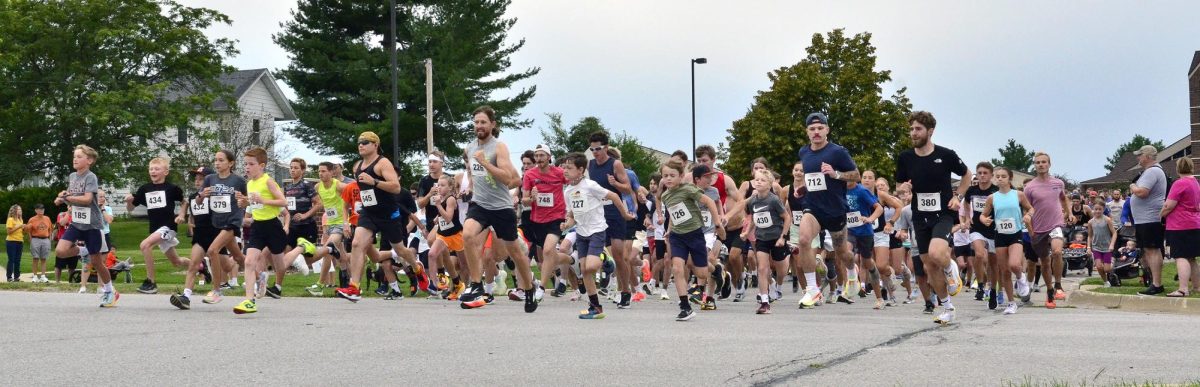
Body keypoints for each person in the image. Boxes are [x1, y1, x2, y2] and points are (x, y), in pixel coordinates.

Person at [453, 107, 535, 311]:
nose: (479, 126)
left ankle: (529, 288)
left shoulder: (499, 148)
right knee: (468, 236)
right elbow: (474, 174)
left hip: (501, 206)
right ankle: (476, 284)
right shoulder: (470, 148)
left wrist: (485, 162)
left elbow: (509, 178)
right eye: (476, 122)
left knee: (515, 252)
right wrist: (470, 187)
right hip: (480, 203)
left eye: (483, 122)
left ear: (492, 125)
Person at [894, 111, 972, 325]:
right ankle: (948, 308)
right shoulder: (905, 157)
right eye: (911, 129)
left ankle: (951, 268)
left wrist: (958, 196)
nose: (913, 133)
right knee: (929, 266)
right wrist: (904, 187)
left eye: (918, 129)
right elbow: (900, 183)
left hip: (944, 213)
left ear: (930, 131)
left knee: (938, 254)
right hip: (920, 215)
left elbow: (967, 175)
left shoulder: (946, 155)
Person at [335, 132, 429, 302]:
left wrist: (375, 182)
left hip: (388, 214)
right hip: (369, 213)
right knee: (357, 243)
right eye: (359, 142)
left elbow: (396, 187)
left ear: (375, 145)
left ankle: (417, 268)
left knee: (400, 250)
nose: (360, 145)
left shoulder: (383, 163)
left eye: (365, 142)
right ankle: (354, 287)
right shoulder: (358, 167)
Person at [793, 113, 860, 309]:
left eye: (820, 128)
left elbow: (856, 175)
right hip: (813, 207)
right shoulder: (804, 152)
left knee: (842, 253)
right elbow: (812, 178)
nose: (816, 132)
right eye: (812, 129)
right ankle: (813, 290)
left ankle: (852, 271)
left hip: (835, 210)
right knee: (804, 240)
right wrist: (803, 188)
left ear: (827, 130)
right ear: (807, 132)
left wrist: (835, 173)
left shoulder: (837, 152)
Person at [560, 152, 632, 319]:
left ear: (580, 170)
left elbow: (613, 195)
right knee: (584, 270)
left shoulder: (590, 185)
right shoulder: (568, 191)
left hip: (596, 230)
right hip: (581, 233)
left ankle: (606, 260)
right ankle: (596, 307)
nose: (565, 170)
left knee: (591, 266)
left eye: (569, 168)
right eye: (564, 167)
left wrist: (625, 215)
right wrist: (567, 224)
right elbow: (572, 215)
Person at [657, 159, 723, 321]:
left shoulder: (688, 189)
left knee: (700, 271)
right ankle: (685, 306)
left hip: (694, 234)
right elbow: (673, 214)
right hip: (677, 236)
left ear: (681, 176)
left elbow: (708, 202)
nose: (669, 179)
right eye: (665, 176)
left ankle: (717, 270)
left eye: (672, 175)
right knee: (678, 268)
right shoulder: (665, 195)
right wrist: (669, 230)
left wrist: (717, 223)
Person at [54, 145, 118, 307]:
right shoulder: (72, 176)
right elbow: (71, 194)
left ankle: (110, 291)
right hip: (76, 222)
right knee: (61, 251)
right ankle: (83, 251)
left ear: (89, 160)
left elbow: (87, 199)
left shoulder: (91, 177)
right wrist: (62, 198)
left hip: (92, 225)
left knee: (97, 262)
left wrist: (68, 197)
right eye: (74, 156)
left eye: (79, 156)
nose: (75, 159)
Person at [232, 147, 289, 314]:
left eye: (251, 164)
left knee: (280, 266)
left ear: (261, 165)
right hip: (257, 227)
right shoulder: (249, 184)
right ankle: (250, 301)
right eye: (245, 164)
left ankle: (301, 248)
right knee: (249, 262)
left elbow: (283, 201)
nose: (247, 167)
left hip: (273, 226)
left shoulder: (268, 181)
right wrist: (244, 203)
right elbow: (252, 206)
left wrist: (263, 200)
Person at [587, 131, 637, 308]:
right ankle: (606, 274)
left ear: (606, 148)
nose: (595, 152)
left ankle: (625, 291)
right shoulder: (590, 165)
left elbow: (628, 190)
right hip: (597, 211)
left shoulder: (615, 164)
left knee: (618, 253)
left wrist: (615, 184)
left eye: (598, 149)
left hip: (615, 211)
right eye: (592, 149)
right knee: (598, 249)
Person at [126, 157, 188, 294]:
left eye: (157, 169)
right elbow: (131, 209)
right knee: (176, 262)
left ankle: (151, 282)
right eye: (151, 169)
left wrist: (182, 215)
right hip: (156, 229)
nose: (153, 171)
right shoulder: (145, 189)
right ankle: (201, 266)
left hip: (169, 226)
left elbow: (184, 202)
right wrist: (129, 201)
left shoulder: (172, 188)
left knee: (145, 245)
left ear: (166, 172)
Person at [979, 166, 1035, 314]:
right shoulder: (992, 197)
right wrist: (984, 220)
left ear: (1009, 178)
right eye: (997, 176)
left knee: (1015, 264)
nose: (1000, 179)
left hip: (1015, 233)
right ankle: (1011, 303)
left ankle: (1021, 277)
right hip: (1000, 235)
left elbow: (1031, 209)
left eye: (1003, 176)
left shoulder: (1018, 194)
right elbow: (983, 215)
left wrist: (1028, 215)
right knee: (1004, 271)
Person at [733, 169, 790, 314]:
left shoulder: (774, 200)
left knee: (781, 268)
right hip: (761, 238)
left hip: (776, 237)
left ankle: (777, 285)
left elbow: (787, 218)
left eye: (762, 180)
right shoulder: (752, 200)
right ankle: (765, 302)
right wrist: (747, 232)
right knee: (762, 268)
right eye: (757, 179)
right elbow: (754, 218)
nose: (758, 182)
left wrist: (783, 237)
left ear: (770, 184)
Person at [1024, 151, 1074, 308]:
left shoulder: (1058, 183)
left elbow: (1063, 198)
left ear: (1049, 164)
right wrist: (1030, 229)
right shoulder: (1030, 187)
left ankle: (1058, 284)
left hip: (1055, 224)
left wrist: (1069, 213)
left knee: (1057, 252)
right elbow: (1027, 209)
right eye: (1038, 162)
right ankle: (1050, 291)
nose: (1041, 164)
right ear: (1035, 165)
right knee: (1045, 263)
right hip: (1038, 228)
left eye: (1043, 162)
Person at [199, 150, 250, 305]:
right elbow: (199, 201)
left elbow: (247, 202)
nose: (217, 163)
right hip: (217, 222)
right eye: (216, 160)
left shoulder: (239, 181)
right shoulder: (209, 179)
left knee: (212, 251)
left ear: (231, 163)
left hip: (233, 222)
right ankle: (260, 274)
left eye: (221, 160)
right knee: (239, 257)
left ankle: (216, 290)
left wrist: (243, 202)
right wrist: (202, 195)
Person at [521, 144, 568, 300]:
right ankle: (572, 260)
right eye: (537, 156)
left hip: (557, 217)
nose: (539, 159)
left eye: (542, 155)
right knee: (549, 255)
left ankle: (541, 287)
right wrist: (532, 197)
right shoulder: (529, 175)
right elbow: (525, 201)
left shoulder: (559, 173)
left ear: (549, 157)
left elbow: (572, 182)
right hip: (537, 220)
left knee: (548, 251)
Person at [275, 158, 321, 298]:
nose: (292, 170)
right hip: (293, 227)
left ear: (302, 170)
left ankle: (329, 250)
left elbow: (319, 204)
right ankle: (277, 286)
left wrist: (305, 215)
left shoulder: (307, 185)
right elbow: (286, 207)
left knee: (308, 260)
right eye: (291, 167)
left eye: (296, 168)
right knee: (285, 256)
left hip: (306, 226)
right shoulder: (288, 188)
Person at [1129, 145, 1168, 295]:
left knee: (1153, 250)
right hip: (1144, 219)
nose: (1138, 158)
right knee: (1149, 250)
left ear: (1147, 156)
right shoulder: (1150, 171)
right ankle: (1154, 282)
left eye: (1139, 155)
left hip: (1150, 219)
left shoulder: (1152, 171)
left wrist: (1133, 186)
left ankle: (1157, 284)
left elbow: (1142, 192)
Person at [1162, 157, 1200, 297]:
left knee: (1181, 256)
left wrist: (1161, 215)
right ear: (1192, 167)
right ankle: (1197, 287)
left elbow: (1169, 205)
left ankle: (1183, 289)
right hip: (1195, 224)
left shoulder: (1179, 183)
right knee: (1192, 258)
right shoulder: (1195, 182)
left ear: (1178, 169)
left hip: (1180, 225)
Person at [963, 163, 998, 302]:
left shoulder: (996, 190)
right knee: (978, 254)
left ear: (991, 175)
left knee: (992, 262)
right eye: (980, 173)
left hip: (994, 228)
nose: (982, 175)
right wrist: (967, 217)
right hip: (977, 227)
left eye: (985, 173)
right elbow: (965, 203)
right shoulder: (971, 190)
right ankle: (980, 285)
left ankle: (992, 287)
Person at [1088, 202, 1117, 289]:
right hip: (1096, 247)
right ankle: (1105, 281)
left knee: (1107, 269)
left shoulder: (1107, 220)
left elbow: (1114, 233)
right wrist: (1088, 247)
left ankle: (1112, 262)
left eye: (1100, 209)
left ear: (1103, 210)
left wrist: (1112, 244)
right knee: (1099, 266)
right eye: (1096, 209)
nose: (1097, 211)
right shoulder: (1090, 222)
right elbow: (1090, 236)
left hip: (1107, 247)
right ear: (1093, 210)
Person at [25, 204, 53, 283]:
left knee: (44, 258)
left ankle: (43, 276)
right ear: (36, 210)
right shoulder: (32, 219)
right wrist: (31, 240)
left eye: (42, 209)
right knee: (35, 258)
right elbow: (28, 231)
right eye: (39, 209)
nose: (41, 211)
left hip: (45, 240)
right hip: (35, 239)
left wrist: (49, 239)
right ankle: (35, 276)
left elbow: (50, 229)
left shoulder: (47, 218)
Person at [5, 205, 24, 282]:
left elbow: (20, 231)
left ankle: (16, 277)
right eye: (19, 209)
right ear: (15, 211)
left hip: (20, 241)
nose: (20, 211)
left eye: (21, 209)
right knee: (11, 260)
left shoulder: (20, 220)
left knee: (18, 260)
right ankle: (9, 277)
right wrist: (19, 227)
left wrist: (24, 228)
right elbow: (9, 232)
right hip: (11, 242)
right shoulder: (10, 219)